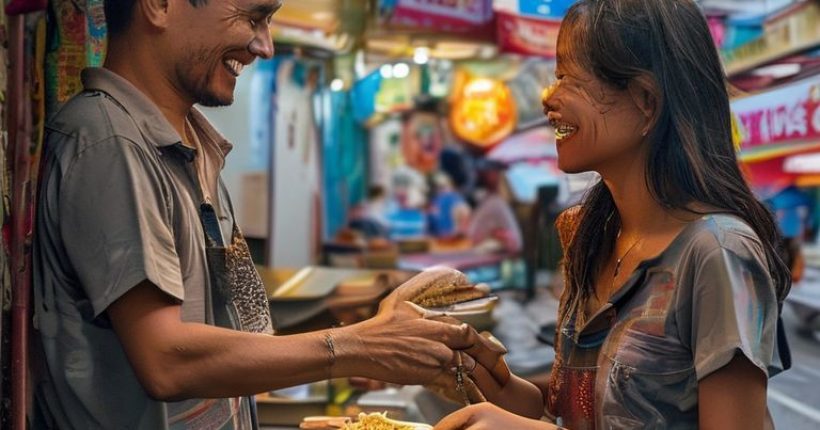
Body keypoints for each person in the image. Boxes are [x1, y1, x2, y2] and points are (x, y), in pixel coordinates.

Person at [31, 1, 495, 429]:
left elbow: (226, 328)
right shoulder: (111, 144)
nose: (265, 46)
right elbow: (166, 361)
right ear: (159, 5)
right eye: (252, 17)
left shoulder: (190, 146)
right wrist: (361, 346)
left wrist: (369, 327)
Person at [435, 0, 791, 428]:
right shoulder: (590, 233)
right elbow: (574, 415)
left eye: (568, 76)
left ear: (644, 101)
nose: (549, 96)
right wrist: (469, 366)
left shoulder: (717, 252)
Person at [467, 163, 523, 254]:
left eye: (488, 173)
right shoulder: (487, 200)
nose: (479, 175)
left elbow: (516, 244)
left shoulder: (496, 203)